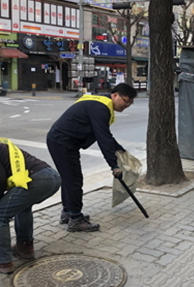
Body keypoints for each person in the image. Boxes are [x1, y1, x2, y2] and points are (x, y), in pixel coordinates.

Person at [47, 83, 137, 232]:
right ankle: (75, 219)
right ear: (115, 95)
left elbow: (104, 134)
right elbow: (102, 138)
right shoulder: (100, 108)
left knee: (69, 179)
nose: (127, 105)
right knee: (74, 181)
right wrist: (114, 165)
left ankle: (68, 213)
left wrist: (119, 149)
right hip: (62, 142)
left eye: (131, 103)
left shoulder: (101, 102)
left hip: (61, 141)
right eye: (126, 101)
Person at [0, 139, 61, 274]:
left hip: (37, 180)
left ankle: (1, 261)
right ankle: (25, 247)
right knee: (22, 208)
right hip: (51, 176)